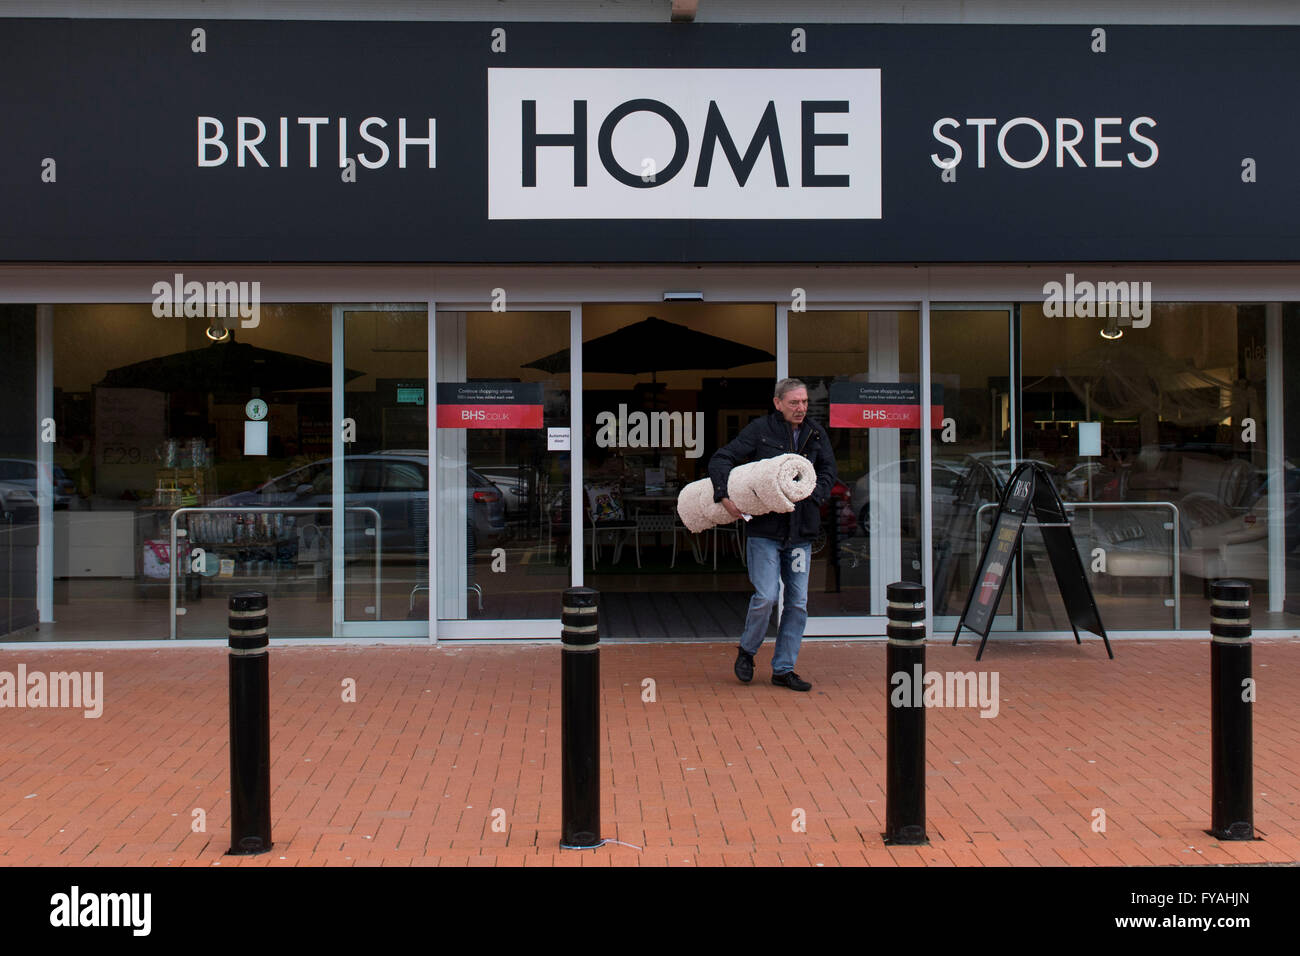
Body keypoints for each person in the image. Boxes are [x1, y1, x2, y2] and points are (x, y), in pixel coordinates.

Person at [708, 378, 837, 691]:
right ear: (778, 403)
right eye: (794, 402)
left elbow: (829, 472)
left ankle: (783, 669)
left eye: (804, 402)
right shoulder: (760, 430)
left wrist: (812, 494)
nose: (801, 408)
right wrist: (723, 494)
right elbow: (721, 458)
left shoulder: (816, 433)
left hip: (801, 536)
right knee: (766, 596)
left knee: (797, 603)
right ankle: (747, 651)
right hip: (765, 531)